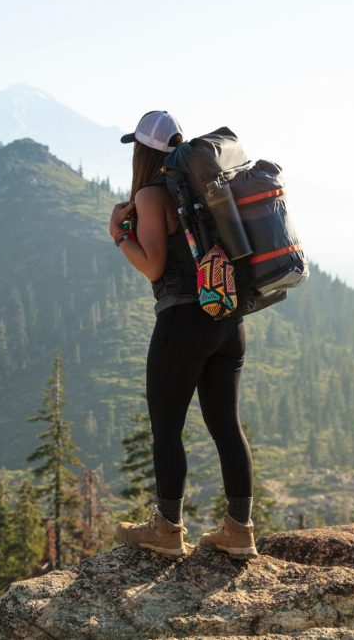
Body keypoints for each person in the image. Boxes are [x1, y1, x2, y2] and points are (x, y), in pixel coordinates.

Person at [110, 110, 258, 561]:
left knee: (167, 427)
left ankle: (168, 529)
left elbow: (154, 266)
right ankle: (239, 530)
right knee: (226, 427)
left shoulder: (153, 194)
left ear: (142, 150)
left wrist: (118, 235)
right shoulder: (203, 187)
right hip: (227, 318)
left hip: (184, 321)